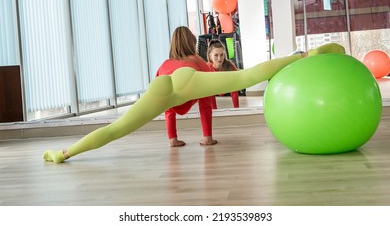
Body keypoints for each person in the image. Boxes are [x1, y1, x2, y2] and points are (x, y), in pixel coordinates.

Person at [43, 26, 345, 163]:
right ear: (193, 44)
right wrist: (207, 135)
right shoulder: (199, 62)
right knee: (247, 75)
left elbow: (169, 103)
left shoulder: (164, 62)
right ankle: (300, 55)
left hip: (161, 87)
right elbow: (208, 104)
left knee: (116, 128)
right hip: (187, 81)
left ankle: (64, 153)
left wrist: (172, 133)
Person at [155, 27, 215, 147]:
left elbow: (157, 86)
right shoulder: (198, 62)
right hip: (190, 94)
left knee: (169, 106)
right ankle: (207, 137)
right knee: (205, 100)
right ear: (192, 43)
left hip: (172, 100)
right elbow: (211, 82)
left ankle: (172, 139)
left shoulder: (164, 65)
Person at [206, 39, 239, 109]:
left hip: (226, 86)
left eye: (221, 55)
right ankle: (214, 110)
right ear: (210, 56)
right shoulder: (207, 67)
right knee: (208, 88)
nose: (219, 58)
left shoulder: (230, 65)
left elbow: (235, 89)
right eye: (216, 55)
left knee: (234, 84)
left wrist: (236, 109)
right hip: (213, 88)